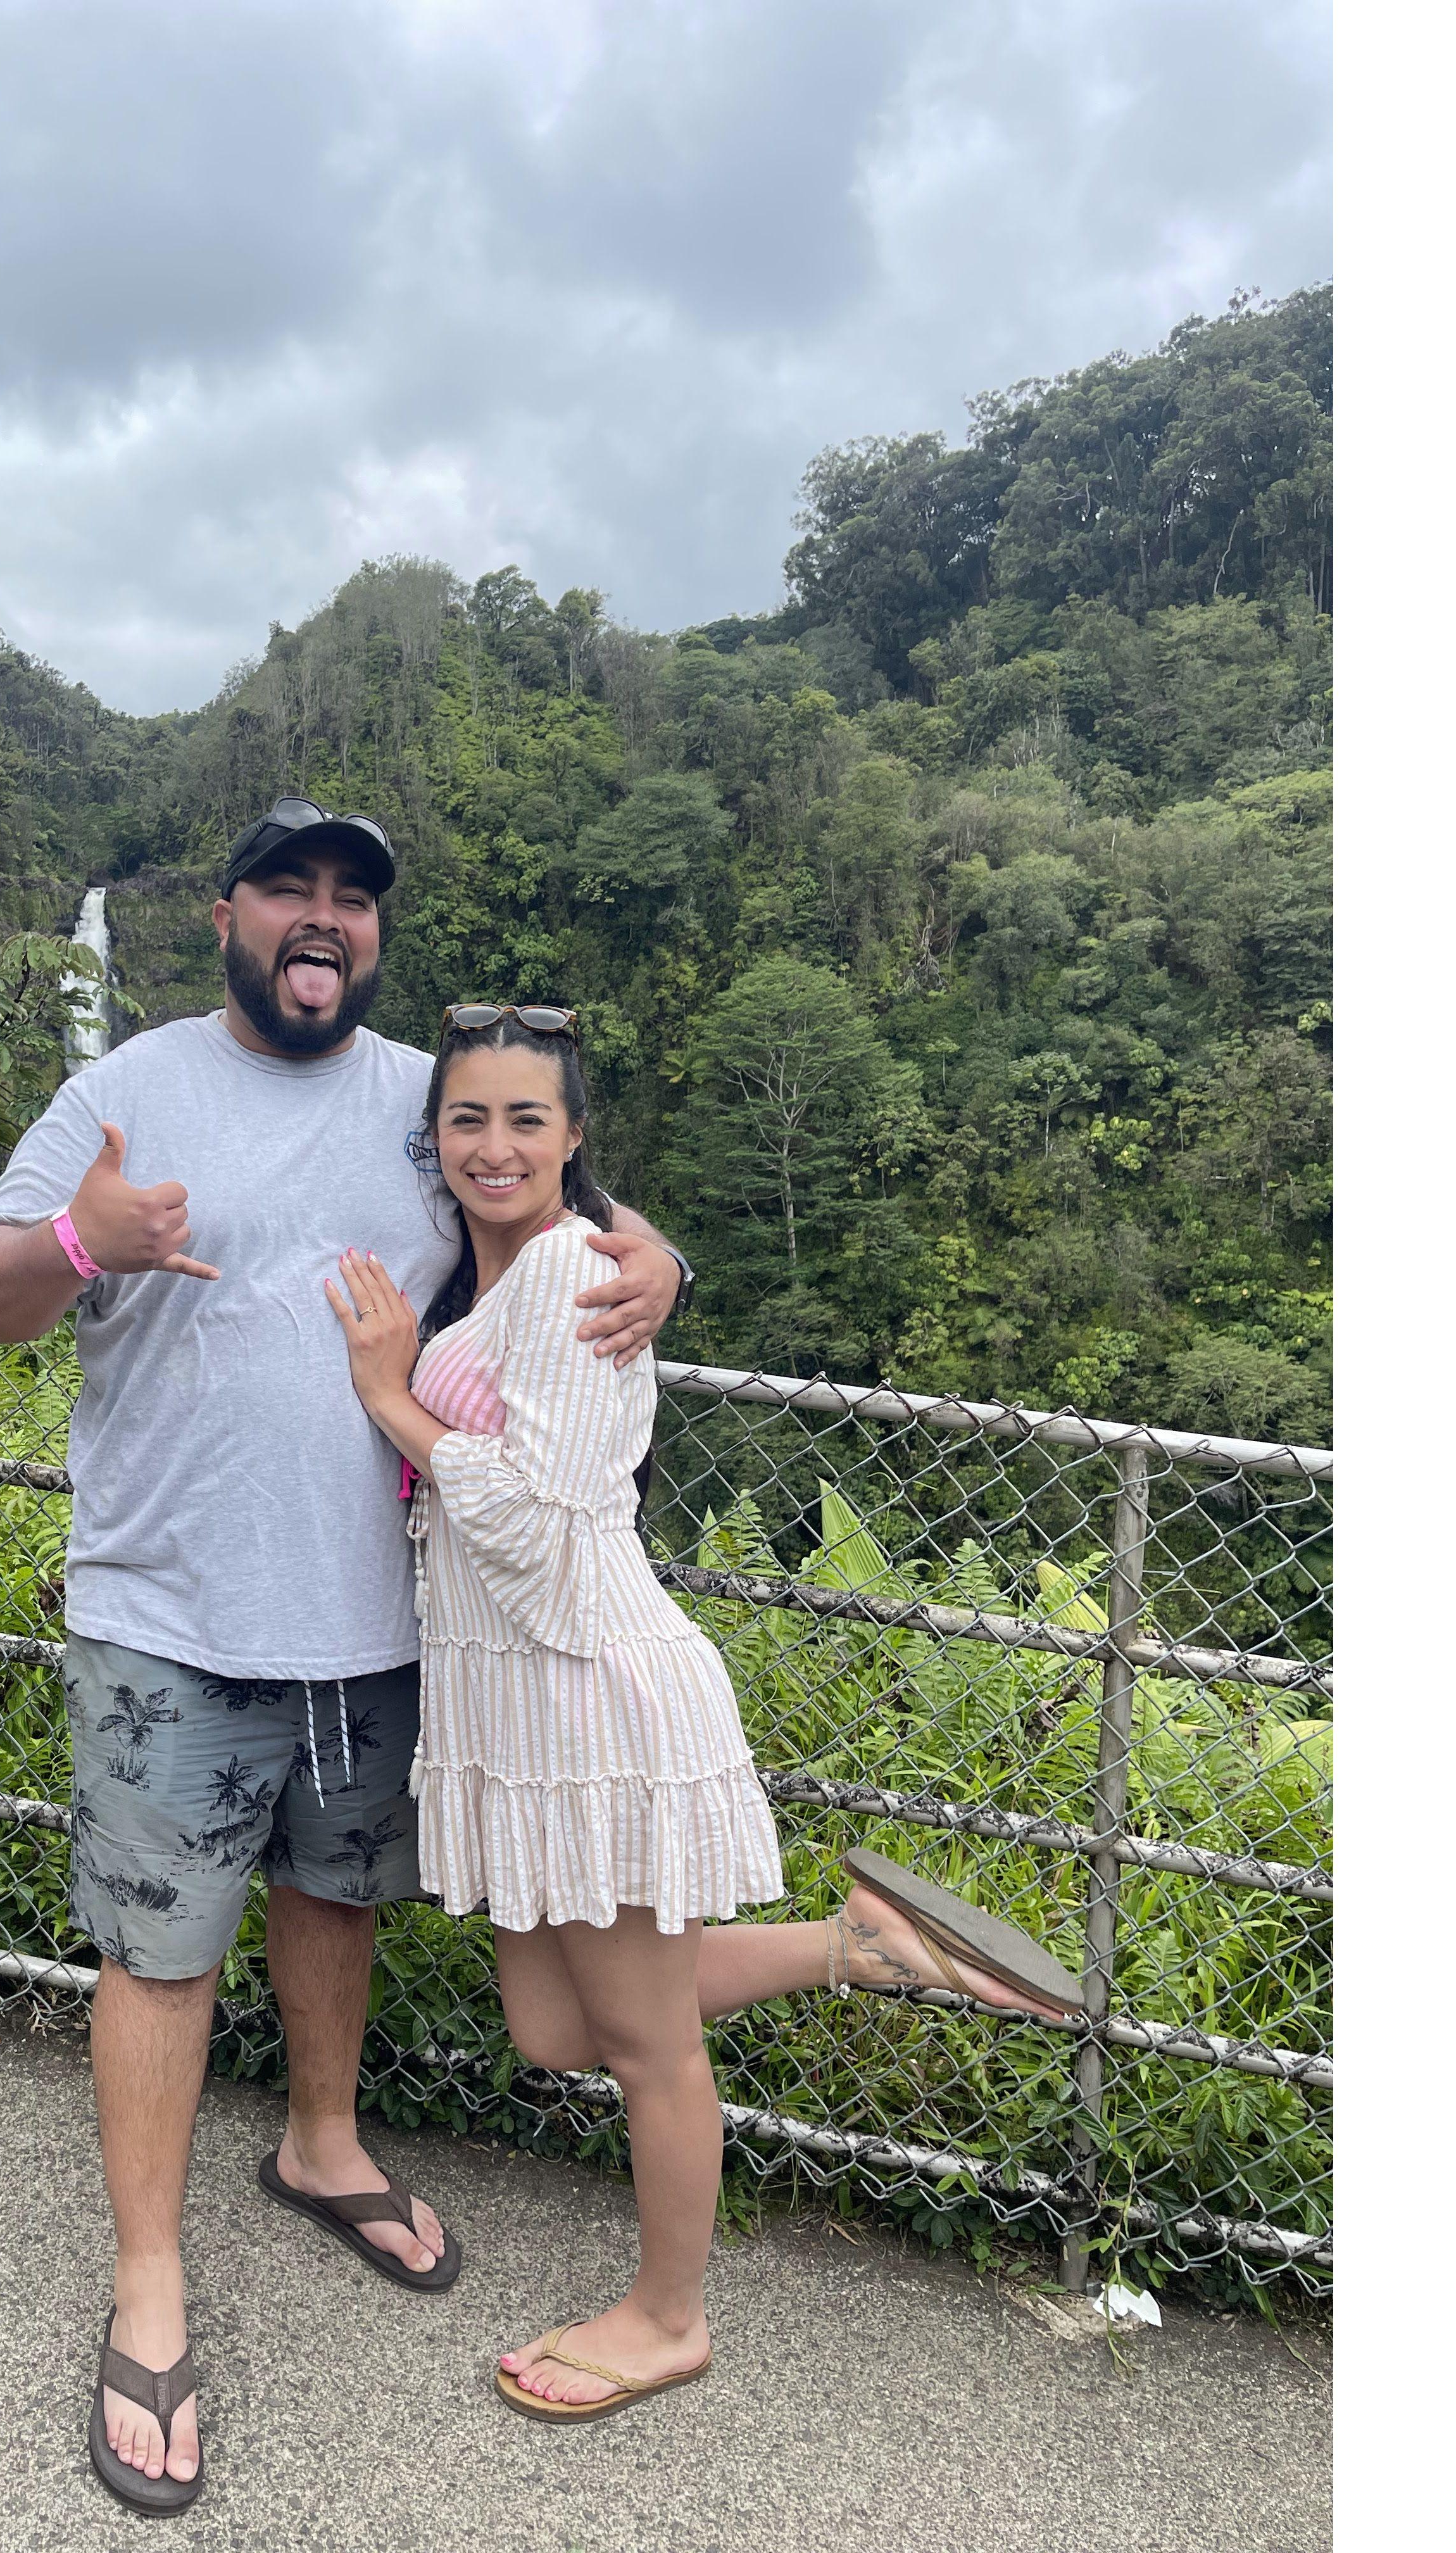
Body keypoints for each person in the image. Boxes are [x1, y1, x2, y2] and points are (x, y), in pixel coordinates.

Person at [0, 802, 691, 2512]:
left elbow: (566, 1197)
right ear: (229, 913)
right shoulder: (127, 1090)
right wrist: (87, 1241)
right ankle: (150, 2284)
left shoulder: (428, 1100)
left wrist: (660, 1256)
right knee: (160, 1956)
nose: (322, 916)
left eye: (352, 897)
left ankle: (322, 2143)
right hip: (169, 1615)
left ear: (373, 937)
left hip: (377, 1617)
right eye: (289, 886)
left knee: (334, 1897)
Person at [323, 1004, 1086, 2423]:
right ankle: (858, 1946)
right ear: (434, 1136)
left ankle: (669, 2318)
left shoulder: (569, 1277)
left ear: (574, 1138)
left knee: (651, 2049)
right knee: (555, 2029)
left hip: (592, 1700)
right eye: (467, 1118)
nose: (494, 1146)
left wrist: (387, 1396)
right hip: (520, 1707)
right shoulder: (503, 1274)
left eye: (527, 1119)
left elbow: (538, 1529)